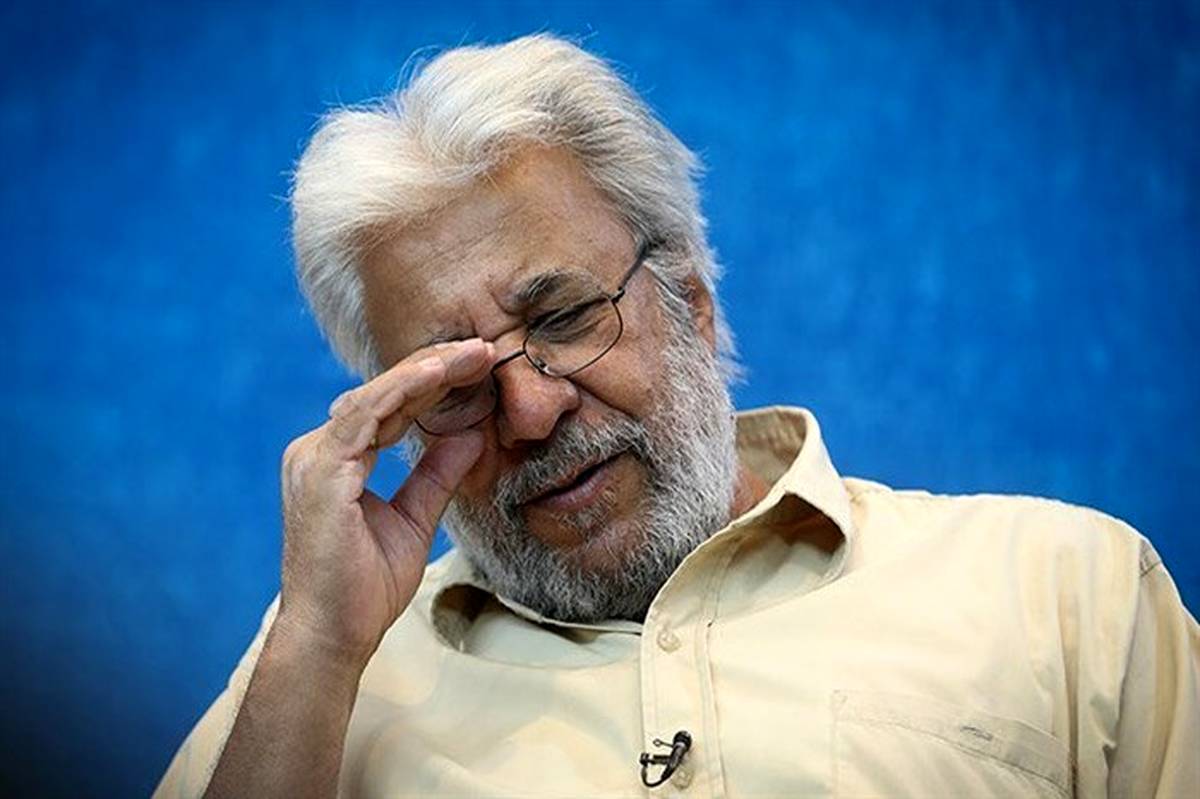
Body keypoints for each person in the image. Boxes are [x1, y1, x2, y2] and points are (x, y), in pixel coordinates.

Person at [155, 34, 1198, 798]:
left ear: (691, 300)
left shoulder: (1067, 596)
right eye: (455, 383)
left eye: (563, 316)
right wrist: (316, 645)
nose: (530, 411)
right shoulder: (319, 682)